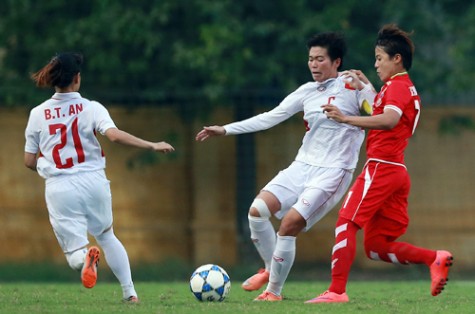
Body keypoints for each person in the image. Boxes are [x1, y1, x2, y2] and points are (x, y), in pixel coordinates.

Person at [195, 32, 376, 301]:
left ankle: (274, 292)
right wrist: (225, 129)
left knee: (288, 225)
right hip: (301, 166)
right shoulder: (307, 91)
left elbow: (380, 114)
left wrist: (369, 87)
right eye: (310, 59)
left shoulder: (354, 88)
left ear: (336, 61)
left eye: (320, 59)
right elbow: (270, 118)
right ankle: (270, 269)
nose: (314, 64)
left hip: (334, 171)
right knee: (256, 211)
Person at [305, 24, 453, 304]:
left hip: (381, 167)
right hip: (396, 169)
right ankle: (434, 259)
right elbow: (381, 111)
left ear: (396, 59)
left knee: (345, 223)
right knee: (375, 247)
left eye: (379, 58)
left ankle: (336, 291)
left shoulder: (397, 86)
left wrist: (346, 118)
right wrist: (367, 88)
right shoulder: (397, 87)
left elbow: (388, 120)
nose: (375, 64)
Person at [24, 52, 175, 303]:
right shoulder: (91, 107)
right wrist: (152, 144)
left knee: (74, 252)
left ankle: (86, 260)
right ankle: (130, 294)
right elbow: (114, 136)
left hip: (60, 186)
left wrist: (47, 165)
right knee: (107, 235)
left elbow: (29, 161)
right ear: (77, 79)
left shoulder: (37, 114)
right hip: (94, 181)